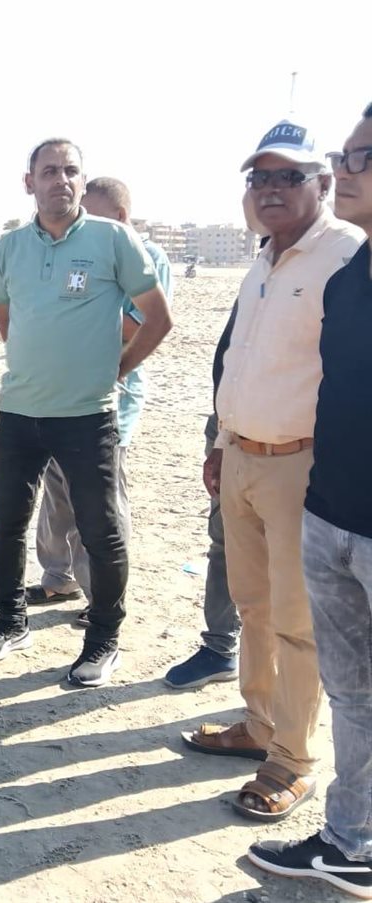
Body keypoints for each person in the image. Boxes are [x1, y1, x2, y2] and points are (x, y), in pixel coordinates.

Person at [182, 120, 363, 822]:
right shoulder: (263, 260)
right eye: (260, 178)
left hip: (301, 467)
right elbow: (242, 359)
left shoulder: (345, 254)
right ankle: (259, 723)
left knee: (296, 621)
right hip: (241, 459)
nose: (271, 189)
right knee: (252, 604)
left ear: (322, 182)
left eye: (289, 176)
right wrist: (222, 441)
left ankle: (292, 758)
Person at [0, 139, 172, 687]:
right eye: (49, 171)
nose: (59, 180)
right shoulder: (11, 246)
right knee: (7, 525)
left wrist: (117, 368)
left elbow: (157, 319)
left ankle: (103, 640)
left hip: (88, 415)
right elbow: (6, 320)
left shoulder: (113, 239)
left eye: (70, 171)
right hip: (19, 411)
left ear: (82, 182)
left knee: (101, 531)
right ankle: (10, 622)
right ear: (29, 182)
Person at [245, 104, 372, 899]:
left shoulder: (341, 253)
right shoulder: (330, 269)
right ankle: (350, 837)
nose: (347, 168)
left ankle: (303, 773)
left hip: (324, 491)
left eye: (359, 157)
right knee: (347, 686)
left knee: (318, 649)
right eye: (260, 176)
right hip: (319, 502)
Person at [25, 176, 173, 631]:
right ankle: (59, 577)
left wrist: (85, 310)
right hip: (57, 394)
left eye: (92, 216)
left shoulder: (146, 257)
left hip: (107, 399)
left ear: (121, 218)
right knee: (57, 491)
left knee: (99, 502)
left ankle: (104, 594)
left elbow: (143, 325)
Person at [164, 190, 267, 690]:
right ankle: (220, 648)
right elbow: (232, 358)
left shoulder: (335, 262)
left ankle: (274, 688)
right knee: (225, 544)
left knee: (291, 565)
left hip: (295, 449)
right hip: (232, 432)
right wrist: (221, 437)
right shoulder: (261, 268)